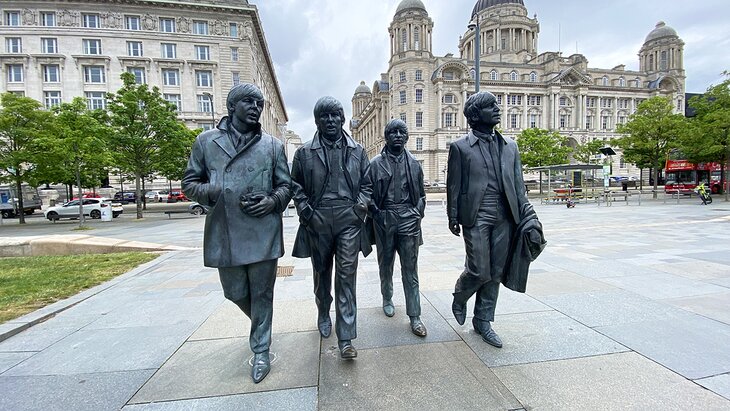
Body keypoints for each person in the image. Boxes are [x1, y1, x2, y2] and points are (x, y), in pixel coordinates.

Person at [182, 83, 291, 383]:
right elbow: (190, 183)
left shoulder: (272, 146)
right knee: (234, 292)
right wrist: (215, 190)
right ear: (232, 107)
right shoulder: (206, 142)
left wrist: (272, 200)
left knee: (262, 293)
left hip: (263, 230)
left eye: (259, 103)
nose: (256, 108)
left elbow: (286, 186)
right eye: (249, 102)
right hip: (225, 231)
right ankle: (261, 325)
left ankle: (261, 350)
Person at [446, 91, 530, 348]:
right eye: (490, 106)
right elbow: (454, 184)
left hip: (505, 216)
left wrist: (527, 216)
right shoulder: (460, 148)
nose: (497, 109)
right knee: (478, 269)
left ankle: (483, 320)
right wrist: (453, 215)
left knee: (495, 272)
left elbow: (518, 185)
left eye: (496, 105)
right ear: (474, 114)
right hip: (476, 214)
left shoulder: (510, 147)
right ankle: (460, 296)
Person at [291, 96, 372, 359]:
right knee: (321, 272)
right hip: (319, 219)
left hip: (349, 220)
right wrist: (306, 212)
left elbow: (367, 186)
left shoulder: (358, 151)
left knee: (346, 275)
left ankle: (346, 336)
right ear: (316, 121)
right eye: (324, 116)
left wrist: (359, 208)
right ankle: (323, 310)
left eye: (335, 115)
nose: (330, 121)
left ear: (343, 118)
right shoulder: (304, 153)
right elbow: (296, 186)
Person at [368, 119, 427, 337]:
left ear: (407, 136)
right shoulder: (375, 164)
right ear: (386, 136)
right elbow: (367, 193)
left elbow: (421, 194)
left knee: (410, 270)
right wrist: (378, 214)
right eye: (393, 132)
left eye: (402, 132)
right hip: (385, 217)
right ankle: (387, 297)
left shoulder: (414, 164)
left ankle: (415, 316)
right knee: (386, 264)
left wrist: (417, 212)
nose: (398, 136)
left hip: (408, 218)